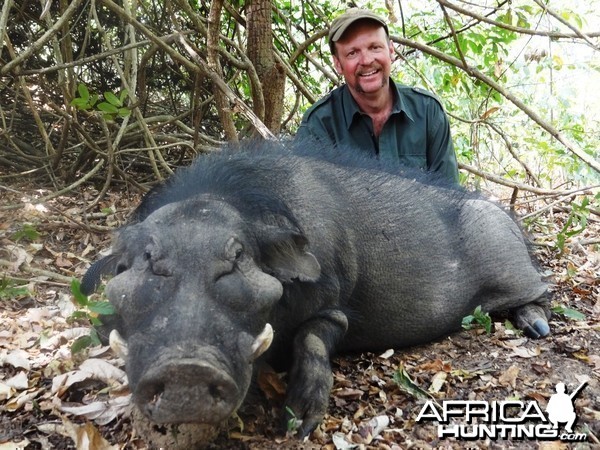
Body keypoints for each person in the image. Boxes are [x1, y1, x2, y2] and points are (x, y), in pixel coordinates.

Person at [295, 8, 459, 183]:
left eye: (375, 47)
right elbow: (308, 203)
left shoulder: (427, 112)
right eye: (352, 53)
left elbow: (451, 197)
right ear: (338, 64)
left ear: (391, 51)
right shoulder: (318, 126)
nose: (366, 60)